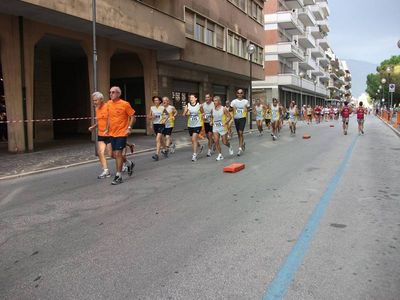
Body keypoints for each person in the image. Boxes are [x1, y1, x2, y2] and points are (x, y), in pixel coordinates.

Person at [107, 86, 136, 185]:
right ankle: (129, 163)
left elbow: (133, 117)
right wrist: (107, 128)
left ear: (119, 94)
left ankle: (118, 176)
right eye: (110, 92)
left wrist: (129, 128)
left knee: (118, 154)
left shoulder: (125, 104)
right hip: (112, 133)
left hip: (122, 132)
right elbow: (108, 118)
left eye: (113, 92)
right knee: (113, 154)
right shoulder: (108, 104)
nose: (111, 94)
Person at [88, 92, 112, 179]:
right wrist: (93, 127)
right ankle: (106, 171)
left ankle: (125, 163)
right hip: (101, 134)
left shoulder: (108, 107)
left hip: (109, 134)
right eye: (93, 100)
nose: (94, 102)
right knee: (100, 152)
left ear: (101, 99)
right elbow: (99, 121)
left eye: (96, 100)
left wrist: (107, 129)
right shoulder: (97, 109)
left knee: (111, 154)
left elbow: (110, 119)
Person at [183, 94, 204, 162]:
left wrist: (203, 116)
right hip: (190, 125)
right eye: (190, 98)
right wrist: (187, 113)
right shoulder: (187, 105)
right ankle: (200, 146)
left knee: (193, 139)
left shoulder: (199, 105)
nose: (191, 99)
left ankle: (194, 155)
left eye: (192, 97)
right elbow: (183, 114)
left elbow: (203, 113)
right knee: (193, 140)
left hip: (198, 125)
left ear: (196, 98)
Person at [212, 96, 233, 161]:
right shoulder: (212, 109)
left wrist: (226, 122)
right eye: (214, 101)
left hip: (223, 127)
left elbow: (229, 117)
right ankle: (220, 155)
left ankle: (229, 146)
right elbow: (211, 117)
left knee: (224, 142)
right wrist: (210, 121)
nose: (214, 102)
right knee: (216, 141)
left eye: (215, 101)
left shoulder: (223, 109)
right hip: (215, 127)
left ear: (219, 101)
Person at [230, 89, 250, 156]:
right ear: (237, 94)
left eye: (241, 93)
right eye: (238, 93)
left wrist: (246, 109)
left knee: (241, 132)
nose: (240, 94)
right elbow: (230, 109)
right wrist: (233, 109)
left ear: (243, 94)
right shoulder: (234, 101)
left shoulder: (246, 101)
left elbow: (249, 109)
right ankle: (242, 143)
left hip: (242, 118)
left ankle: (239, 149)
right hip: (236, 118)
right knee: (239, 134)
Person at [149, 96, 166, 161]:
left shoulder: (162, 107)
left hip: (161, 124)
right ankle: (165, 149)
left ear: (160, 101)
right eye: (154, 100)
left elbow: (167, 115)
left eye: (157, 100)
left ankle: (157, 155)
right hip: (155, 125)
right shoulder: (152, 108)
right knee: (161, 139)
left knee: (157, 139)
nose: (156, 101)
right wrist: (152, 117)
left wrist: (164, 120)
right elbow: (149, 117)